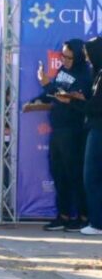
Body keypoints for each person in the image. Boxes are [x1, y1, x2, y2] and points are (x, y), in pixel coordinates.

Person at [23, 39, 91, 231]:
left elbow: (73, 98)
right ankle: (63, 215)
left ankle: (82, 216)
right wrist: (38, 99)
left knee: (74, 174)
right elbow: (55, 94)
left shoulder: (85, 74)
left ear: (78, 57)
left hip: (74, 131)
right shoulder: (63, 70)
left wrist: (46, 85)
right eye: (63, 56)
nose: (65, 60)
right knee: (58, 173)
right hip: (58, 128)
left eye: (69, 57)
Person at [82, 37, 102, 235]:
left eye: (89, 55)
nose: (87, 59)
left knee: (92, 176)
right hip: (95, 127)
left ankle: (97, 222)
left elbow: (97, 105)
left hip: (99, 129)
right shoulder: (96, 73)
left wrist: (79, 102)